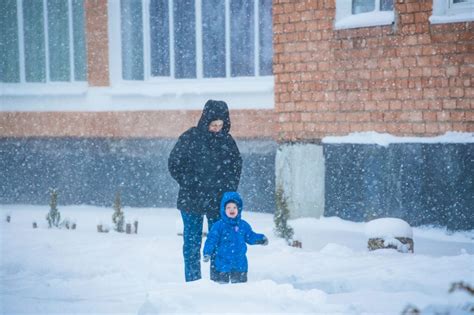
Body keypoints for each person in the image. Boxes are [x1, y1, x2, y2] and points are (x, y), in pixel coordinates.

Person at [168, 100, 242, 282]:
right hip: (191, 199)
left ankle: (217, 280)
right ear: (205, 121)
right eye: (213, 125)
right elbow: (174, 163)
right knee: (192, 243)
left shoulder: (228, 142)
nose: (216, 128)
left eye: (220, 125)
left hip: (218, 202)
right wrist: (189, 182)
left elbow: (235, 168)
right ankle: (193, 281)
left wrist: (228, 193)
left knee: (218, 242)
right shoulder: (190, 138)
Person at [202, 191, 268, 284]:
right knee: (221, 289)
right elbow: (211, 240)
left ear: (239, 209)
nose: (231, 210)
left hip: (239, 264)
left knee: (239, 289)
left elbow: (250, 236)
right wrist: (207, 252)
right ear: (223, 209)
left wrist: (260, 239)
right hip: (222, 264)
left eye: (234, 207)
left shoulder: (243, 225)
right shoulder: (218, 226)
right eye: (228, 207)